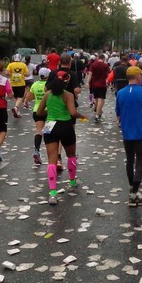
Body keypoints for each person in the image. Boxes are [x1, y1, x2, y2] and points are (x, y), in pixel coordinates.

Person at [36, 71, 86, 205]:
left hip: (50, 126)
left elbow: (39, 112)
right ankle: (72, 181)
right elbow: (73, 112)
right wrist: (82, 116)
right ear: (66, 82)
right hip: (65, 126)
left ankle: (52, 193)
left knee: (51, 160)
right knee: (71, 155)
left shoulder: (47, 94)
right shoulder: (68, 95)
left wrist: (51, 111)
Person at [115, 66, 142, 207]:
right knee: (140, 161)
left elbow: (118, 114)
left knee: (129, 160)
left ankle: (132, 188)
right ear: (138, 77)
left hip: (127, 131)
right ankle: (134, 193)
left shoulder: (120, 93)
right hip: (140, 131)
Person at [26, 67, 51, 165]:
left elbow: (29, 97)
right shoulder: (49, 85)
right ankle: (51, 154)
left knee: (39, 131)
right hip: (49, 110)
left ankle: (36, 150)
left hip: (37, 110)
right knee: (48, 132)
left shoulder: (35, 84)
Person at [87, 53, 111, 123]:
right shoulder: (105, 65)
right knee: (101, 99)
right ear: (103, 58)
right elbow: (108, 75)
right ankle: (97, 114)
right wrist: (108, 82)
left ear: (98, 58)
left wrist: (87, 82)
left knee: (96, 98)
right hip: (102, 84)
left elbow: (90, 74)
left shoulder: (93, 65)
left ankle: (98, 111)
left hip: (94, 84)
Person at [5, 53, 29, 118]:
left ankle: (17, 111)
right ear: (20, 58)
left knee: (15, 97)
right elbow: (27, 74)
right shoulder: (23, 65)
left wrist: (12, 74)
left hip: (12, 84)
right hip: (21, 83)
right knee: (21, 97)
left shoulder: (10, 64)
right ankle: (16, 108)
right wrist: (21, 74)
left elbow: (6, 73)